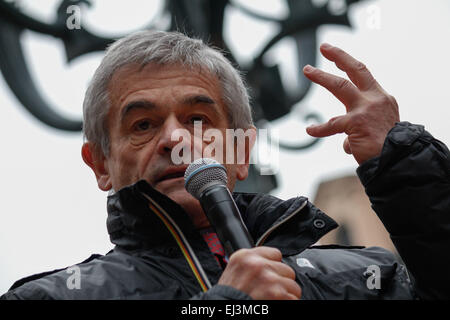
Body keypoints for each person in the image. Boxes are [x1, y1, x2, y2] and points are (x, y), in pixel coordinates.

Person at [1, 30, 449, 300]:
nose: (176, 139)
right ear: (99, 164)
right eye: (143, 124)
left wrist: (403, 161)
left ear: (241, 151)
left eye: (198, 119)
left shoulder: (367, 279)